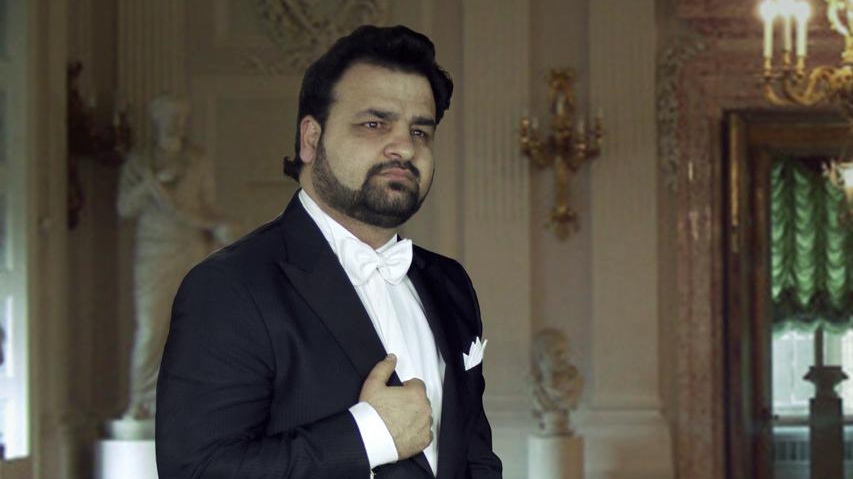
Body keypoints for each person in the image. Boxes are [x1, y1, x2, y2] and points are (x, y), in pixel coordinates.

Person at [155, 25, 503, 478]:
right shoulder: (228, 286)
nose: (404, 146)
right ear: (311, 139)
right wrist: (368, 436)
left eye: (420, 130)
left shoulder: (450, 282)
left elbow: (476, 459)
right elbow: (196, 471)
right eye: (374, 124)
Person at [118, 95, 232, 420]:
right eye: (169, 117)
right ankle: (141, 400)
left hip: (190, 246)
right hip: (154, 252)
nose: (175, 123)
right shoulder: (140, 162)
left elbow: (207, 206)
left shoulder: (197, 160)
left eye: (180, 117)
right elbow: (124, 208)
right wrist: (149, 185)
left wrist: (221, 227)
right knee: (151, 327)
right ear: (156, 121)